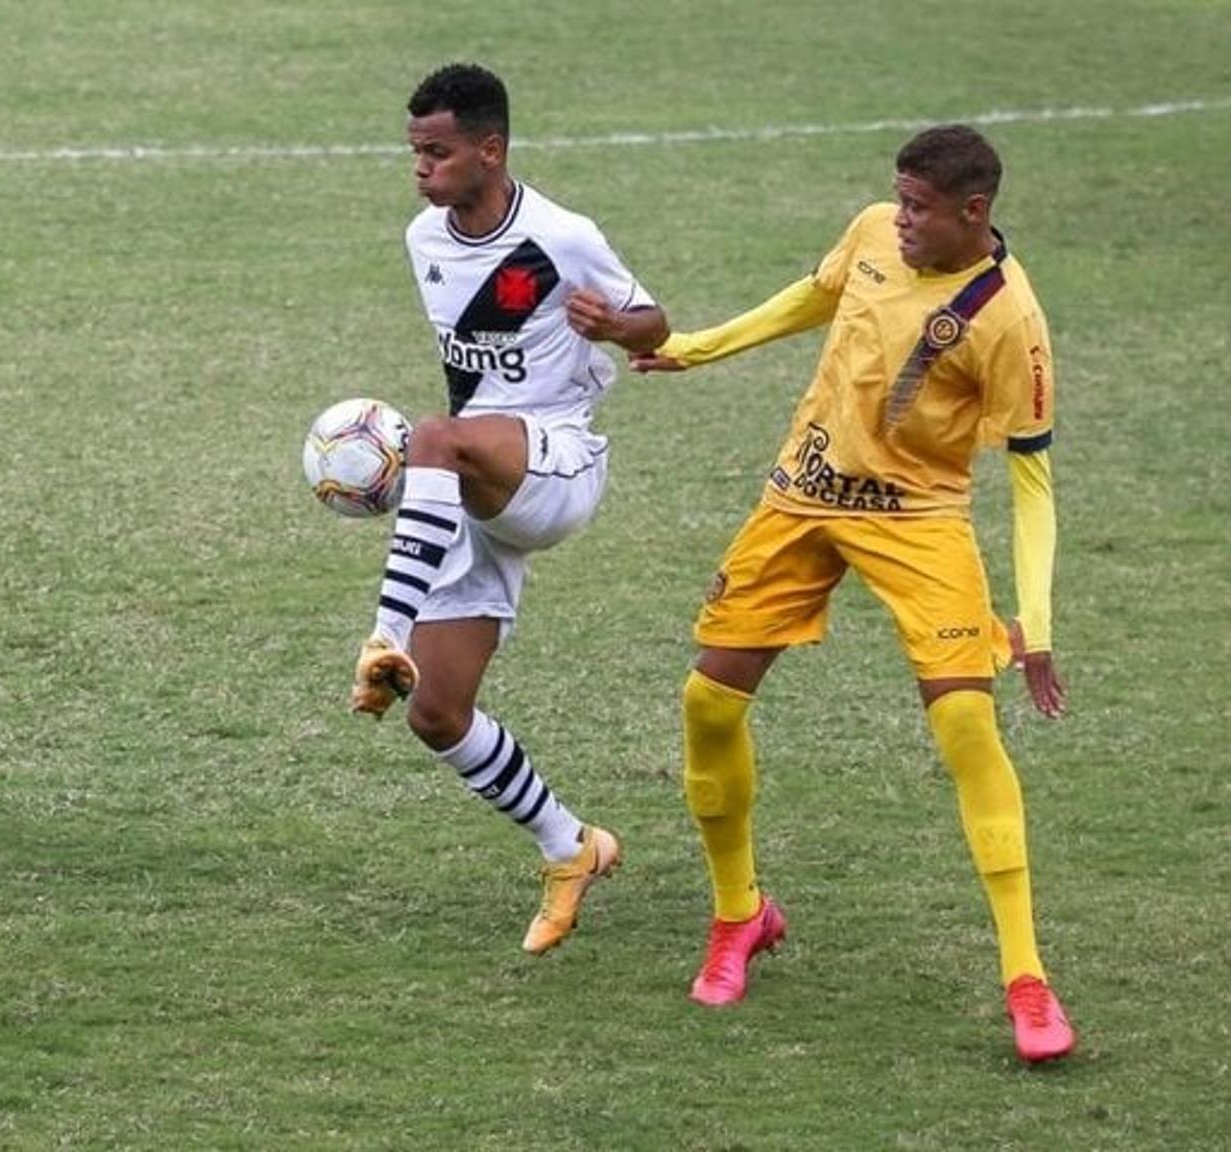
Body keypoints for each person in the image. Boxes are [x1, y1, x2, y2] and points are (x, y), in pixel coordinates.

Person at [630, 124, 1076, 1063]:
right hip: (803, 494)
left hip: (919, 521)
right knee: (708, 701)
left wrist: (1033, 622)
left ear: (974, 212)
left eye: (919, 207)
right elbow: (819, 295)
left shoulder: (1009, 320)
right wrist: (699, 347)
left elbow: (1032, 482)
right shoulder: (875, 230)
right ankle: (737, 915)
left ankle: (1027, 980)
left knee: (967, 727)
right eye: (899, 200)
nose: (900, 219)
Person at [349, 62, 669, 955]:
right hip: (485, 480)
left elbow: (658, 325)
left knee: (436, 436)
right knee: (437, 714)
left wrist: (618, 330)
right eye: (415, 152)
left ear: (490, 150)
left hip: (558, 460)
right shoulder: (425, 239)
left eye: (438, 152)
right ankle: (571, 847)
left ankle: (384, 633)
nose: (421, 168)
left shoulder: (563, 238)